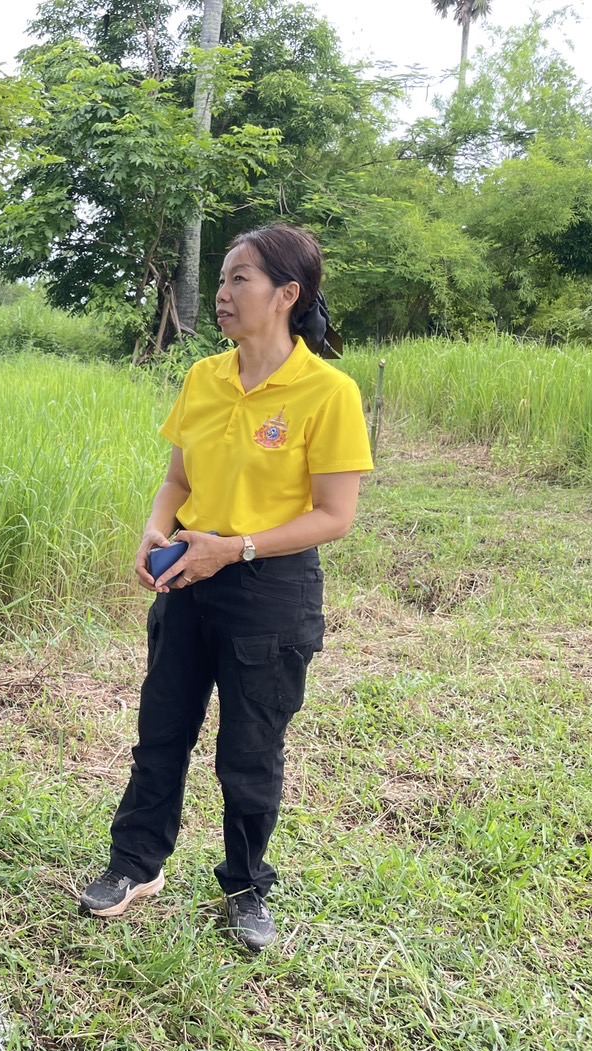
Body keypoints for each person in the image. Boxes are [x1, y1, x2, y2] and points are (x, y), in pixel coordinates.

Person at [78, 223, 372, 952]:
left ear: (286, 295)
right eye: (221, 279)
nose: (221, 293)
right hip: (184, 575)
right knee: (162, 732)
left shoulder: (326, 392)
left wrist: (233, 548)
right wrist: (156, 528)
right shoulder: (204, 377)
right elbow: (178, 478)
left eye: (240, 278)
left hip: (268, 591)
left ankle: (244, 886)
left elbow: (333, 517)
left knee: (248, 750)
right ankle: (134, 864)